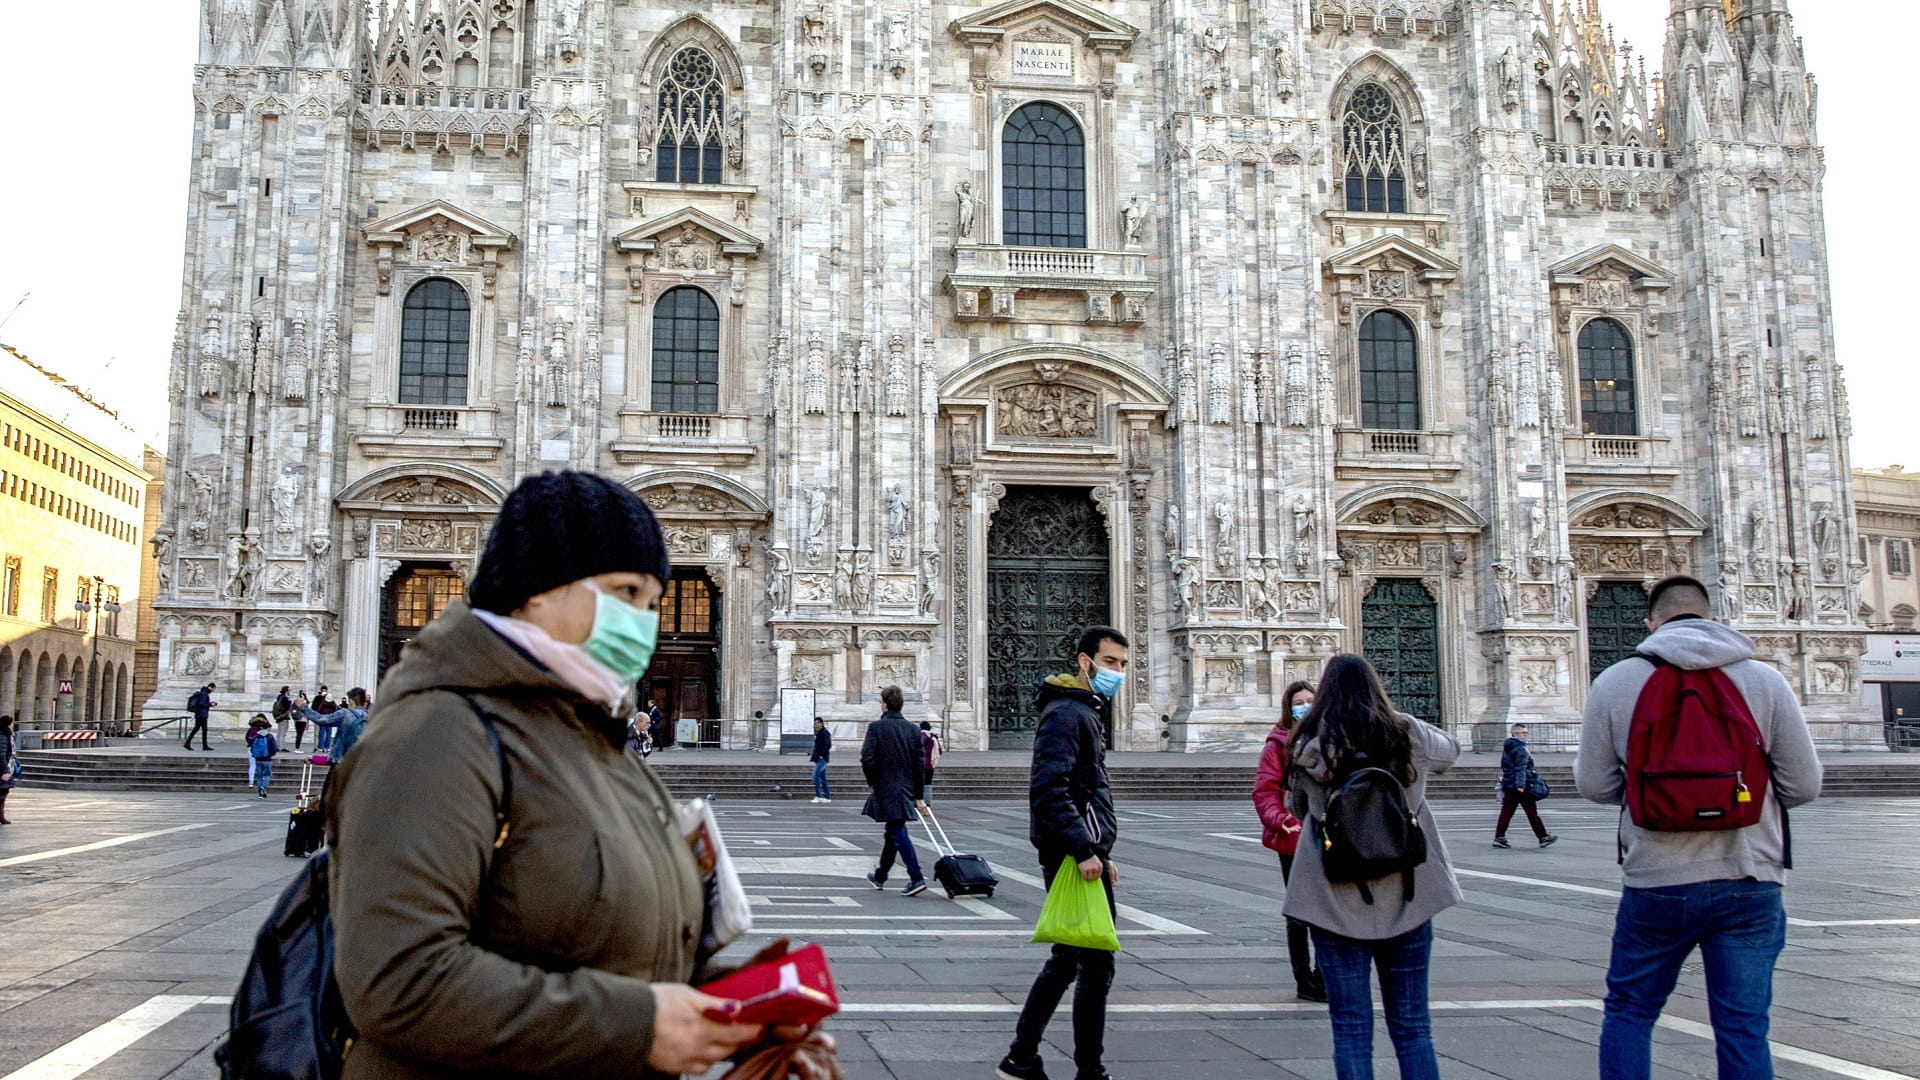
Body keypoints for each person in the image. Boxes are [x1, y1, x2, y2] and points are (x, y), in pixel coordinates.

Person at [325, 470, 830, 1077]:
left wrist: (733, 1012)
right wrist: (640, 1025)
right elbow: (398, 981)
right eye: (623, 593)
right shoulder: (436, 734)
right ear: (537, 588)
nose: (643, 623)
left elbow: (591, 946)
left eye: (652, 602)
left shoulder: (592, 734)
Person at [1576, 575, 1823, 1080]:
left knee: (1630, 1011)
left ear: (1651, 624)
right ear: (1713, 618)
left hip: (1657, 879)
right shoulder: (1766, 679)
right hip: (1749, 874)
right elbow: (1804, 785)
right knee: (1743, 1026)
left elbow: (1596, 786)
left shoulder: (1618, 680)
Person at [1284, 653, 1461, 1080]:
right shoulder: (1405, 733)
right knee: (1413, 1026)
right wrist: (1394, 717)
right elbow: (1451, 751)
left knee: (1350, 1029)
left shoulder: (1309, 742)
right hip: (1408, 890)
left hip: (1335, 896)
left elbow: (1298, 806)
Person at [998, 626, 1126, 1080]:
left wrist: (1098, 850)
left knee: (1071, 959)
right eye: (1110, 662)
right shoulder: (1068, 713)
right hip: (1072, 855)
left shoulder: (1080, 710)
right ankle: (1087, 1069)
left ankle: (1022, 1056)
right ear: (1084, 661)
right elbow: (1049, 788)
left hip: (1080, 851)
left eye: (1123, 665)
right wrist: (1083, 850)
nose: (1117, 672)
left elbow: (1083, 789)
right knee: (1094, 962)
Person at [1252, 680, 1324, 1003]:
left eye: (1311, 700)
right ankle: (1303, 978)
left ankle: (1325, 976)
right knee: (1299, 910)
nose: (1305, 706)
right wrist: (1283, 821)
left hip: (1325, 837)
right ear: (1288, 707)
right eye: (1300, 701)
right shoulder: (1277, 744)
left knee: (1327, 909)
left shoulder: (1328, 738)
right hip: (1293, 838)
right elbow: (1265, 791)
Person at [861, 685, 929, 896]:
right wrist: (918, 795)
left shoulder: (876, 727)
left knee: (898, 831)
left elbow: (867, 758)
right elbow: (920, 766)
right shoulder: (913, 730)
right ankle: (880, 875)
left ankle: (916, 877)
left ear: (884, 705)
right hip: (906, 788)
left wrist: (874, 780)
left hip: (886, 786)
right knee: (892, 833)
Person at [1494, 723, 1557, 849]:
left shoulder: (1508, 747)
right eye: (1523, 733)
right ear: (1516, 734)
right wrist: (1521, 785)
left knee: (1506, 812)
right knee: (1531, 812)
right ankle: (1543, 837)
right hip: (1521, 786)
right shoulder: (1521, 748)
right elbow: (1521, 768)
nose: (1526, 735)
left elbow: (1506, 766)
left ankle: (1499, 837)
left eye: (1526, 733)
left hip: (1509, 783)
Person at [244, 715, 279, 799]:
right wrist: (271, 754)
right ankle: (264, 786)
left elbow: (251, 745)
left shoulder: (256, 736)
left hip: (258, 758)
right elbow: (274, 748)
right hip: (267, 759)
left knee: (259, 776)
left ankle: (260, 793)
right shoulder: (269, 736)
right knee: (267, 774)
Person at [184, 682, 215, 750]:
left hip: (199, 714)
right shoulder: (204, 694)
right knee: (203, 730)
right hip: (202, 715)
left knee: (197, 729)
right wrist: (210, 704)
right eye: (213, 689)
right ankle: (204, 745)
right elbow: (202, 704)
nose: (213, 691)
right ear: (211, 687)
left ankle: (188, 743)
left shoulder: (203, 693)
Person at [809, 716, 832, 804]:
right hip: (819, 757)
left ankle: (818, 796)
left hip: (822, 758)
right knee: (823, 777)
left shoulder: (824, 733)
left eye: (816, 723)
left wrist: (822, 755)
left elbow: (828, 744)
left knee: (816, 776)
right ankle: (827, 796)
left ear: (821, 723)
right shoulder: (819, 733)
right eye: (814, 724)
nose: (815, 725)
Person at [0, 715, 18, 824]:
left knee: (3, 793)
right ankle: (1, 815)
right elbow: (1, 754)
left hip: (5, 766)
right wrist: (5, 771)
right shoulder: (2, 736)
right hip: (3, 769)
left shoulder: (5, 735)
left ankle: (1, 815)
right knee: (2, 793)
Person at [919, 720, 942, 798]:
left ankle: (917, 802)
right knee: (928, 785)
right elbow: (939, 751)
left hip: (919, 764)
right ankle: (928, 804)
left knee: (918, 784)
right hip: (929, 765)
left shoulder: (918, 736)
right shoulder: (933, 738)